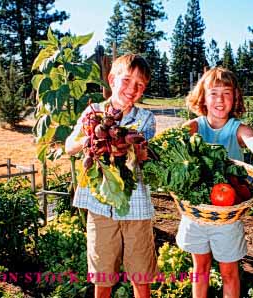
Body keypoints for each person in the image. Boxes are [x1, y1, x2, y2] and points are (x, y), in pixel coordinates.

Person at [176, 67, 253, 298]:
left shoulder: (237, 128)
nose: (220, 100)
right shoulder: (195, 126)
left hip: (227, 214)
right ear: (203, 97)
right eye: (213, 93)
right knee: (200, 269)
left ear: (235, 98)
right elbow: (179, 136)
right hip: (196, 212)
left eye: (227, 93)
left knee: (229, 273)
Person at [65, 54, 157, 298]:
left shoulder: (146, 118)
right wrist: (91, 139)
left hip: (136, 207)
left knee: (141, 275)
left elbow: (144, 158)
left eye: (140, 85)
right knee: (103, 275)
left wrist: (134, 147)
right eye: (127, 80)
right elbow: (69, 145)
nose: (132, 89)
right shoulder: (93, 112)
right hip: (100, 206)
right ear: (112, 79)